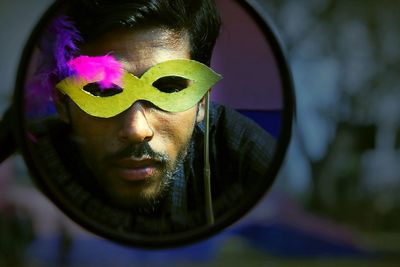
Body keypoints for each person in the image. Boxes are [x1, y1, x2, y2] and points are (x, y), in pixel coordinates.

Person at [27, 0, 276, 235]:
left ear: (202, 101)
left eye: (168, 88)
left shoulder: (248, 157)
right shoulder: (29, 154)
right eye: (102, 90)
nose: (137, 129)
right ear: (61, 103)